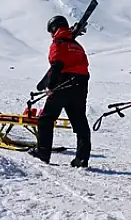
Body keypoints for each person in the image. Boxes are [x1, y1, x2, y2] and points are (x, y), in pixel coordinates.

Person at [31, 15, 92, 168]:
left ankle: (43, 153)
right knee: (80, 122)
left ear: (54, 28)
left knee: (46, 119)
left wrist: (50, 86)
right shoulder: (77, 45)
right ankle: (82, 158)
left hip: (62, 83)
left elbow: (56, 65)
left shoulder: (58, 43)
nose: (51, 35)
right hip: (80, 85)